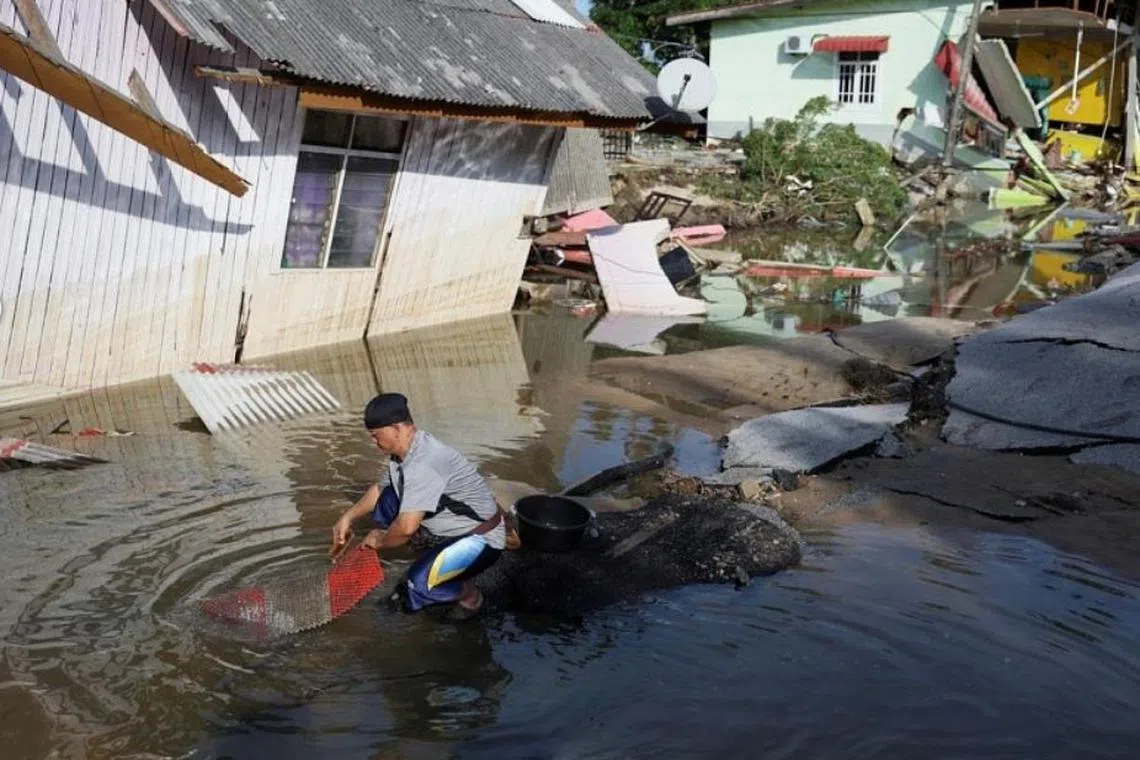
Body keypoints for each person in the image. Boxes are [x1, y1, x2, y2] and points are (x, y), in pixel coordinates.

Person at [331, 393, 505, 619]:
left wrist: (379, 541)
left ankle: (470, 596)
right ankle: (433, 555)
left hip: (481, 538)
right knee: (389, 496)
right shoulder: (403, 452)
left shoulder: (425, 463)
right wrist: (347, 517)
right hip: (449, 526)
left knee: (417, 587)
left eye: (375, 436)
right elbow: (381, 489)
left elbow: (405, 529)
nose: (373, 443)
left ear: (396, 428)